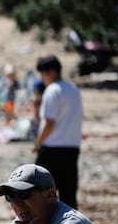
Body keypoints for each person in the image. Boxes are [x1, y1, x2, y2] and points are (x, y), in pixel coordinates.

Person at [33, 55, 84, 210]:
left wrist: (38, 142)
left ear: (52, 72)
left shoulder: (52, 90)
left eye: (43, 73)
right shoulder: (73, 89)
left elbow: (49, 122)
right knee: (69, 196)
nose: (42, 78)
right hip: (72, 147)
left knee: (41, 195)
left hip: (52, 149)